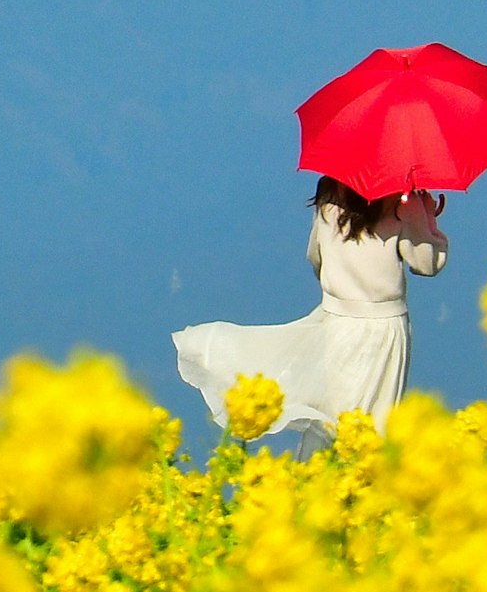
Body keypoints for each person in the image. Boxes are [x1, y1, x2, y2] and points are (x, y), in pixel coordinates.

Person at [173, 176, 448, 441]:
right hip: (385, 327)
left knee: (336, 420)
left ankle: (325, 480)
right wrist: (428, 222)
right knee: (377, 426)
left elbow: (315, 257)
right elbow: (427, 263)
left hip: (337, 323)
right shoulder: (405, 199)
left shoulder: (331, 192)